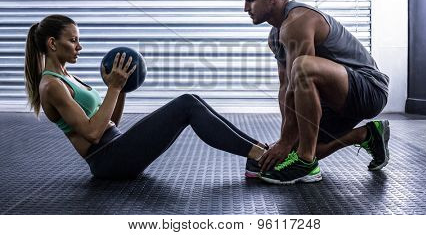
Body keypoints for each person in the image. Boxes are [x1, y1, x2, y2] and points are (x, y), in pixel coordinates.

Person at [24, 14, 267, 180]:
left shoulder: (68, 78)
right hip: (108, 161)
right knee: (186, 104)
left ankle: (260, 149)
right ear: (53, 43)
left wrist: (122, 90)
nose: (80, 47)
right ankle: (260, 158)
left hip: (116, 147)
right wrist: (114, 88)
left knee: (190, 99)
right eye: (73, 40)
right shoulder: (52, 85)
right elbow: (92, 133)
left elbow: (110, 124)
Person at [237, 0, 390, 184]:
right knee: (293, 151)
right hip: (335, 100)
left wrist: (285, 141)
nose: (245, 8)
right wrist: (286, 141)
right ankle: (367, 135)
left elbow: (301, 74)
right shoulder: (275, 37)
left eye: (250, 0)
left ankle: (305, 160)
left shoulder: (297, 21)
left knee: (302, 66)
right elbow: (285, 89)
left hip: (368, 89)